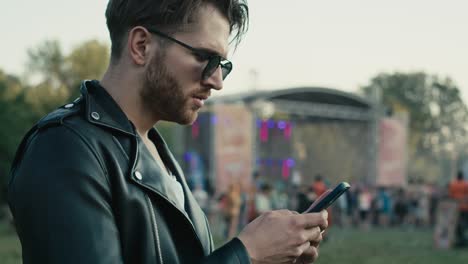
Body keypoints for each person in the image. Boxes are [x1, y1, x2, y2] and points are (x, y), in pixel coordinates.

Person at [7, 1, 328, 263]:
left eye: (222, 65)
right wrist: (246, 255)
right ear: (141, 45)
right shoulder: (65, 148)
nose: (217, 80)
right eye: (205, 57)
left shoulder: (158, 153)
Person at [448, 170, 468, 247]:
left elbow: (450, 196)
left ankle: (459, 238)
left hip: (455, 208)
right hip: (465, 207)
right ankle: (463, 238)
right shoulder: (466, 184)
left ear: (457, 177)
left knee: (456, 224)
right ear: (462, 177)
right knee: (464, 223)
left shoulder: (453, 185)